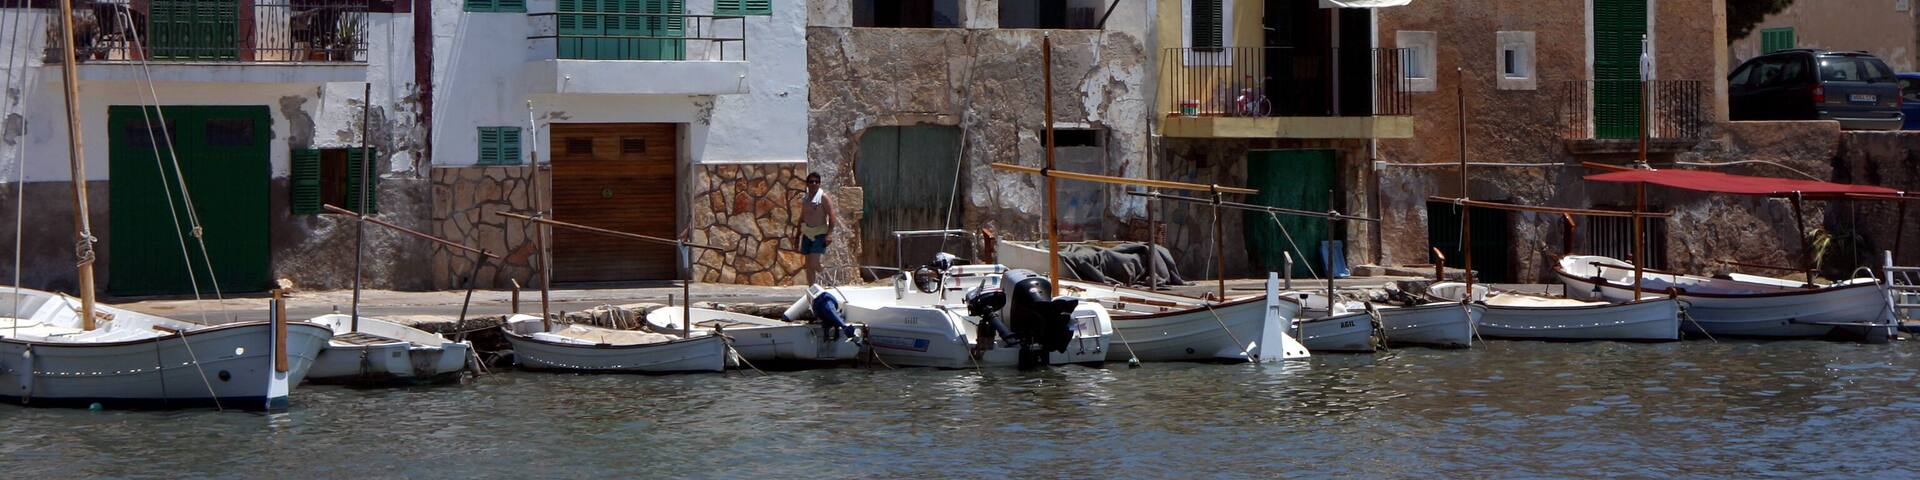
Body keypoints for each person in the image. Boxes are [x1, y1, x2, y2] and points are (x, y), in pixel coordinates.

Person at [796, 172, 834, 285]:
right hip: (807, 233)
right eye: (811, 181)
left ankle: (828, 278)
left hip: (820, 233)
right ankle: (812, 289)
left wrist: (829, 234)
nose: (814, 184)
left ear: (819, 184)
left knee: (814, 262)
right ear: (807, 184)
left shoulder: (823, 197)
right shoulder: (806, 198)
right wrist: (797, 236)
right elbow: (802, 217)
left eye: (816, 182)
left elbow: (832, 215)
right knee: (808, 265)